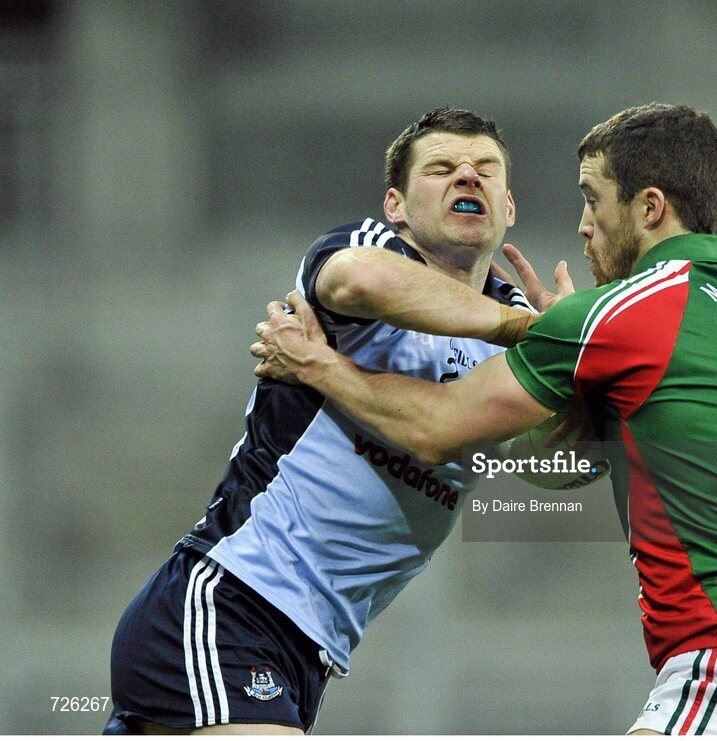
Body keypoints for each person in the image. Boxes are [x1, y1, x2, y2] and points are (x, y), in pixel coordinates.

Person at [251, 103, 717, 734]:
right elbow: (568, 457)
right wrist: (577, 365)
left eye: (594, 199)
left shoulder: (619, 314)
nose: (584, 226)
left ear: (648, 209)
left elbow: (435, 428)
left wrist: (319, 366)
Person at [103, 106, 549, 735]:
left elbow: (487, 437)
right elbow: (359, 281)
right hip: (228, 601)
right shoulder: (369, 249)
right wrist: (537, 333)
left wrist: (576, 369)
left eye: (486, 171)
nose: (467, 178)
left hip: (305, 649)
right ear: (395, 204)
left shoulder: (522, 324)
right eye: (442, 168)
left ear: (508, 210)